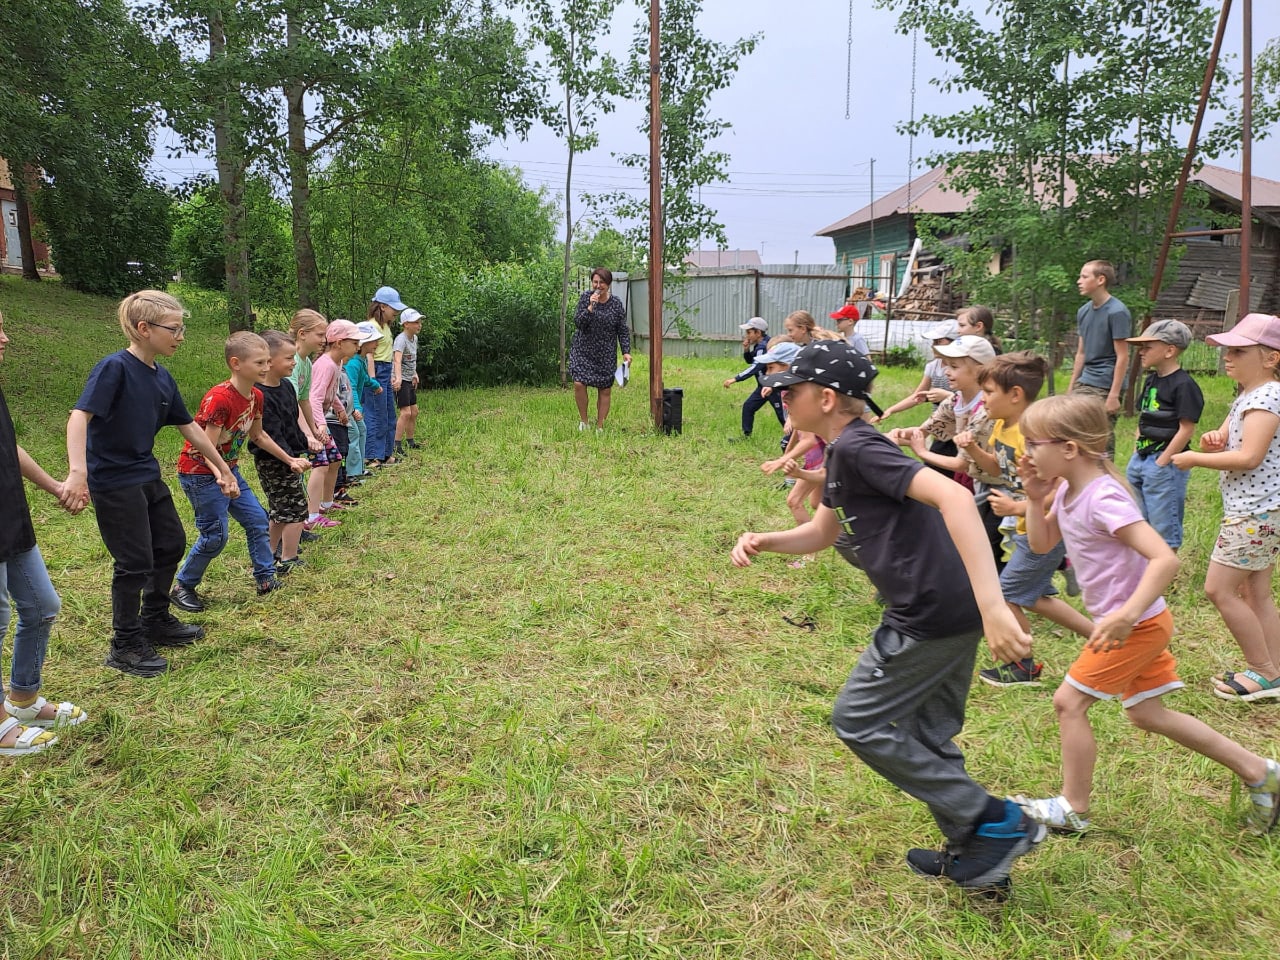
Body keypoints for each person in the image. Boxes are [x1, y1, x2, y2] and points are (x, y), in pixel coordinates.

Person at [732, 340, 1046, 894]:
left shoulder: (859, 449)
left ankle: (998, 821)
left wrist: (996, 604)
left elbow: (952, 500)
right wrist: (766, 540)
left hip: (927, 612)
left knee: (858, 720)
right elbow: (823, 533)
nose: (780, 400)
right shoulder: (840, 452)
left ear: (826, 399)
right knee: (929, 735)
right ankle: (981, 859)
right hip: (948, 606)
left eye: (789, 391)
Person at [1011, 393, 1280, 837]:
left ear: (1069, 449)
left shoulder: (1102, 498)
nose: (1026, 453)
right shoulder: (1066, 489)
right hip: (1136, 622)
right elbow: (1042, 546)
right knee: (1148, 714)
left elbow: (1164, 560)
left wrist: (1125, 615)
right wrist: (1035, 499)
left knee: (1068, 703)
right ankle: (1262, 773)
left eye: (1032, 443)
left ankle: (1074, 807)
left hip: (1136, 625)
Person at [65, 290, 238, 677]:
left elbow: (189, 426)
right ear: (144, 329)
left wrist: (220, 466)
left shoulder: (161, 376)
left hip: (146, 475)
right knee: (134, 561)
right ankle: (124, 644)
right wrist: (78, 472)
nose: (180, 336)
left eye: (182, 328)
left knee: (171, 543)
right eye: (174, 329)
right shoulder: (115, 368)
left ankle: (155, 619)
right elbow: (80, 417)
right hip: (113, 480)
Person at [953, 351, 1094, 687]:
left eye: (988, 392)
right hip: (1023, 528)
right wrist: (973, 450)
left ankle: (1022, 665)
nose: (983, 398)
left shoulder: (1035, 434)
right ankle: (1105, 636)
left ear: (1015, 395)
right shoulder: (1003, 425)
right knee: (1036, 597)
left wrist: (1018, 508)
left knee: (1007, 596)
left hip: (1045, 529)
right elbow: (999, 470)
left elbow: (1060, 485)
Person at [1172, 313, 1280, 702]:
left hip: (1255, 511)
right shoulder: (1248, 395)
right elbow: (1239, 441)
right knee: (1256, 592)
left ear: (1271, 358)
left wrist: (1196, 458)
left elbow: (1250, 456)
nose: (1227, 358)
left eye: (1238, 351)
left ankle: (1264, 672)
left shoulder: (1267, 396)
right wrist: (1218, 438)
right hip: (1259, 509)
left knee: (1219, 589)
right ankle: (1275, 670)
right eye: (1227, 350)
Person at [0, 309, 88, 756]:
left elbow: (8, 447)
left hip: (11, 520)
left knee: (41, 606)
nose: (5, 338)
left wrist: (55, 485)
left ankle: (24, 699)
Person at [170, 332, 310, 612]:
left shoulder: (256, 396)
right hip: (200, 473)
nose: (266, 368)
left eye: (268, 361)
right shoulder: (219, 398)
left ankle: (265, 578)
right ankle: (183, 585)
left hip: (228, 471)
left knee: (258, 520)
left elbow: (259, 436)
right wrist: (222, 476)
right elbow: (205, 448)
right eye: (259, 363)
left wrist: (290, 459)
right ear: (236, 363)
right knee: (215, 535)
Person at [1124, 320, 1203, 551]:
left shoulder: (1184, 385)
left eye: (1148, 346)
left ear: (1170, 350)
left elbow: (1186, 428)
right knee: (1140, 520)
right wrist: (1135, 450)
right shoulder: (1151, 380)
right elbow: (1144, 416)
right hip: (1140, 458)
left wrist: (1163, 461)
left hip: (1164, 462)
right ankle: (1145, 571)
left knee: (1163, 524)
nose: (1142, 352)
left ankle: (1164, 577)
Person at [251, 331, 312, 574]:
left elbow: (292, 421)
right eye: (288, 358)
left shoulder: (287, 386)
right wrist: (290, 459)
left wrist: (304, 445)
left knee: (280, 510)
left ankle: (267, 556)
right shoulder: (259, 394)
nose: (293, 362)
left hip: (291, 457)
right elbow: (268, 434)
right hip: (274, 460)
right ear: (270, 361)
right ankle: (289, 558)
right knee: (296, 509)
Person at [1068, 260, 1131, 458]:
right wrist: (1071, 387)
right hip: (1086, 380)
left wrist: (1113, 395)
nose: (1079, 281)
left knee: (1099, 437)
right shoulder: (1084, 311)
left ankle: (1107, 478)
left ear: (1100, 280)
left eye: (1084, 277)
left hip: (1105, 382)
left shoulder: (1117, 312)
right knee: (1072, 428)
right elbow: (1081, 353)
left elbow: (1123, 356)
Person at [308, 320, 361, 523]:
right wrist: (320, 426)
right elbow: (314, 397)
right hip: (314, 420)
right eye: (354, 342)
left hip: (320, 419)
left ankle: (327, 502)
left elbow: (331, 392)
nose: (357, 346)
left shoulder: (337, 363)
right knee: (320, 465)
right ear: (339, 343)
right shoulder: (326, 364)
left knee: (335, 459)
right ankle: (312, 515)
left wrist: (340, 409)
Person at [569, 268, 630, 433]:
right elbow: (579, 323)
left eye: (602, 282)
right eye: (595, 282)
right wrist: (590, 307)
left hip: (605, 353)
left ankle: (600, 427)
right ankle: (584, 422)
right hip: (584, 350)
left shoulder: (616, 304)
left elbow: (622, 330)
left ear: (608, 284)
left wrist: (626, 351)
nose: (598, 286)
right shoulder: (585, 298)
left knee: (605, 389)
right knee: (579, 383)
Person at [875, 320, 959, 423]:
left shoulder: (964, 369)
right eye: (933, 342)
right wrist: (890, 410)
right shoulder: (933, 366)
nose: (933, 346)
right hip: (939, 424)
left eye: (938, 341)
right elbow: (918, 396)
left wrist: (948, 397)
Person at [722, 317, 784, 437]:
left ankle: (795, 438)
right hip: (763, 385)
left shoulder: (764, 347)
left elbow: (756, 367)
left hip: (773, 386)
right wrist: (746, 350)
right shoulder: (760, 345)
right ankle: (746, 435)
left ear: (758, 332)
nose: (747, 335)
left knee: (783, 415)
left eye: (749, 332)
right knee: (748, 407)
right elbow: (751, 360)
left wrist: (735, 379)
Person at [365, 286, 406, 466]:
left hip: (385, 370)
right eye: (393, 308)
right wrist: (372, 379)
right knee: (376, 414)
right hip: (376, 371)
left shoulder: (386, 327)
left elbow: (387, 353)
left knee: (389, 414)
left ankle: (387, 453)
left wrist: (390, 374)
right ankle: (373, 455)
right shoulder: (371, 326)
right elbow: (369, 354)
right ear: (382, 306)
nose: (396, 311)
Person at [343, 321, 383, 485]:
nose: (377, 344)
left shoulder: (361, 360)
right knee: (354, 434)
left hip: (352, 407)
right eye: (374, 341)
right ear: (363, 342)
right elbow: (350, 386)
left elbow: (364, 378)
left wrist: (374, 385)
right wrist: (356, 408)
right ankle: (351, 473)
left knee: (362, 431)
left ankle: (358, 468)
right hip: (348, 407)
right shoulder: (353, 363)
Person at [393, 307, 422, 457]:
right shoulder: (400, 339)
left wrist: (414, 373)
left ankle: (410, 441)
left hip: (409, 378)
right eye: (415, 322)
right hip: (400, 380)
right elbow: (397, 360)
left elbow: (411, 359)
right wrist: (398, 378)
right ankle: (396, 444)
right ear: (406, 324)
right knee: (405, 413)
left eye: (419, 322)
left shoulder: (414, 338)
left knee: (414, 411)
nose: (419, 325)